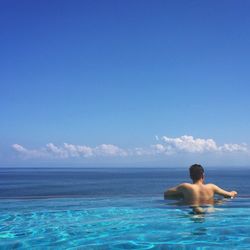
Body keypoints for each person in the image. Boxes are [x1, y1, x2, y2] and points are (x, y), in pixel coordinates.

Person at [164, 164, 237, 213]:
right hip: (209, 211)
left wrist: (181, 194)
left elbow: (166, 194)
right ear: (203, 175)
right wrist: (234, 192)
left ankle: (198, 209)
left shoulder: (185, 187)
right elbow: (229, 195)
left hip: (193, 211)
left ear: (190, 176)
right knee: (217, 202)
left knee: (194, 207)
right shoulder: (211, 187)